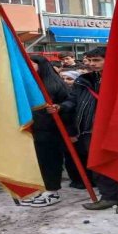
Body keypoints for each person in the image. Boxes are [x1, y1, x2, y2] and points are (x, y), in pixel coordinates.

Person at [51, 46, 118, 215]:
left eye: (97, 60)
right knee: (99, 165)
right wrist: (61, 107)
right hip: (90, 130)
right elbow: (73, 101)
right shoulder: (84, 80)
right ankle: (108, 196)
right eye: (90, 60)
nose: (92, 64)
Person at [18, 55, 71, 207]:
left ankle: (52, 190)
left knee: (49, 160)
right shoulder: (23, 83)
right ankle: (39, 188)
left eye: (31, 64)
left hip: (48, 130)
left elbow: (69, 102)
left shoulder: (54, 83)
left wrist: (58, 108)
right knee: (34, 161)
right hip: (28, 128)